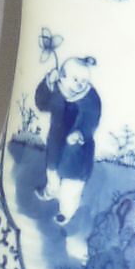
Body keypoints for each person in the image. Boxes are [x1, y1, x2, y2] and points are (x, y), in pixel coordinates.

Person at [34, 56, 101, 224]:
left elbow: (92, 118)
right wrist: (47, 83)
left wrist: (81, 132)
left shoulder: (89, 98)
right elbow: (42, 104)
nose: (80, 85)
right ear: (62, 77)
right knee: (52, 171)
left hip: (77, 149)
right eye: (75, 79)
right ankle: (51, 190)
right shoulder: (58, 90)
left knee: (71, 184)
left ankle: (66, 211)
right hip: (56, 142)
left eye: (84, 81)